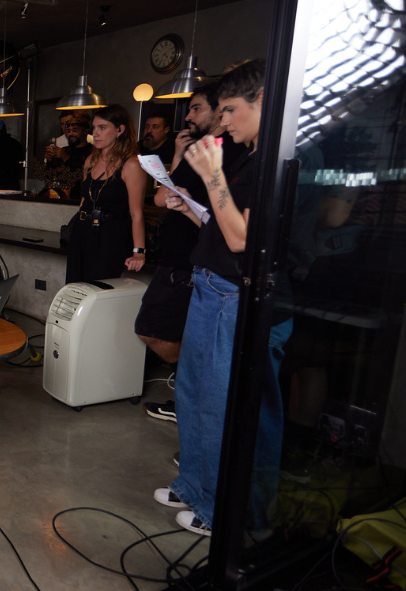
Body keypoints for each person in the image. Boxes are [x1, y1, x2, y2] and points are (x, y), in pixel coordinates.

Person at [156, 59, 291, 536]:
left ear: (263, 101)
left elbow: (241, 240)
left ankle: (219, 510)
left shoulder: (275, 161)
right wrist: (188, 207)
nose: (225, 120)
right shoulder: (250, 157)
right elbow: (221, 225)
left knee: (218, 403)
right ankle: (193, 485)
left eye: (231, 110)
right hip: (210, 284)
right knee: (192, 394)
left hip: (234, 294)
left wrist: (211, 174)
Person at [137, 82, 249, 424]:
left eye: (196, 108)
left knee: (156, 330)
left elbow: (238, 237)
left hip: (200, 265)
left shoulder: (219, 152)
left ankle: (190, 393)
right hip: (194, 258)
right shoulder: (212, 150)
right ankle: (189, 394)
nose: (188, 116)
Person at [64, 105, 148, 283]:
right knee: (76, 289)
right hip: (82, 233)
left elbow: (136, 213)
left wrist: (138, 252)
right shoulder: (91, 160)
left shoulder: (131, 164)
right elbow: (84, 200)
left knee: (101, 291)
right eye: (94, 128)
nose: (96, 133)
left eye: (102, 128)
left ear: (120, 129)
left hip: (111, 236)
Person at [39, 111, 95, 199]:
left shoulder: (93, 152)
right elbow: (50, 178)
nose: (70, 134)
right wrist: (50, 161)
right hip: (61, 200)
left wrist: (66, 158)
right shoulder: (64, 150)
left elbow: (84, 176)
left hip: (80, 200)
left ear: (85, 131)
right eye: (68, 131)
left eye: (75, 130)